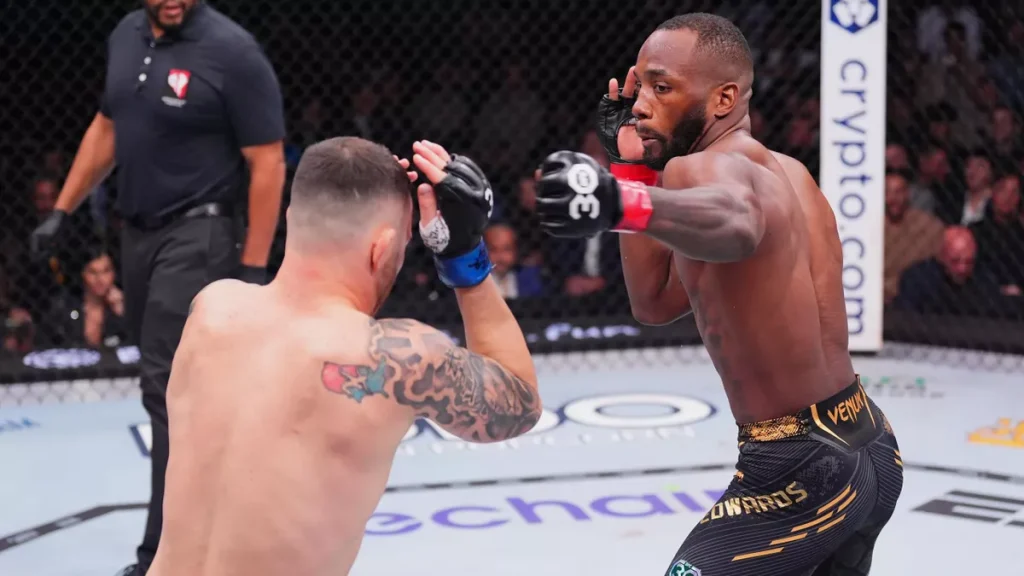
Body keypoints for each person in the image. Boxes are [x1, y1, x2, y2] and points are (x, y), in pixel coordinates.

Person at [535, 13, 903, 575]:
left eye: (662, 86)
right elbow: (654, 302)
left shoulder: (703, 171)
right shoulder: (793, 175)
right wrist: (632, 166)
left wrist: (619, 204)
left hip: (800, 469)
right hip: (870, 444)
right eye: (641, 87)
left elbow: (739, 221)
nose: (640, 104)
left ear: (725, 96)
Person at [147, 137, 541, 576]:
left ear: (292, 218)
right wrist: (464, 256)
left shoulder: (212, 309)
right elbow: (520, 403)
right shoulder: (395, 357)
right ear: (382, 247)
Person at [27, 2, 287, 574]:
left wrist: (250, 267)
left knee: (168, 390)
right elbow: (107, 127)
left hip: (202, 232)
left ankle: (165, 558)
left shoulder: (232, 51)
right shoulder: (124, 34)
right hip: (138, 236)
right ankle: (222, 527)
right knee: (186, 394)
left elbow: (267, 162)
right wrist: (63, 209)